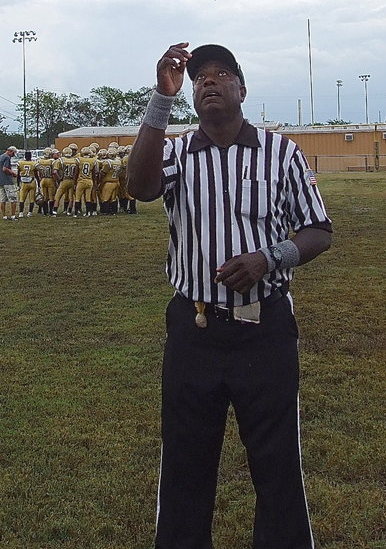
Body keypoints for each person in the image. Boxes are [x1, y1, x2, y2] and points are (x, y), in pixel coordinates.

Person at [126, 42, 333, 549]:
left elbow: (318, 230)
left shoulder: (281, 152)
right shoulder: (175, 152)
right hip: (193, 327)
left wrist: (271, 257)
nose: (208, 83)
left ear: (242, 88)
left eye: (220, 75)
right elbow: (140, 186)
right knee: (185, 459)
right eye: (199, 78)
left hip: (264, 327)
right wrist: (161, 97)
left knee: (276, 459)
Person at [0, 146, 18, 219]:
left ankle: (4, 215)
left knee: (3, 199)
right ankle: (13, 215)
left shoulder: (0, 157)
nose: (13, 155)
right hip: (7, 181)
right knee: (13, 198)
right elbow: (5, 169)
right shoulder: (7, 157)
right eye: (13, 154)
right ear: (10, 151)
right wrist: (13, 173)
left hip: (0, 180)